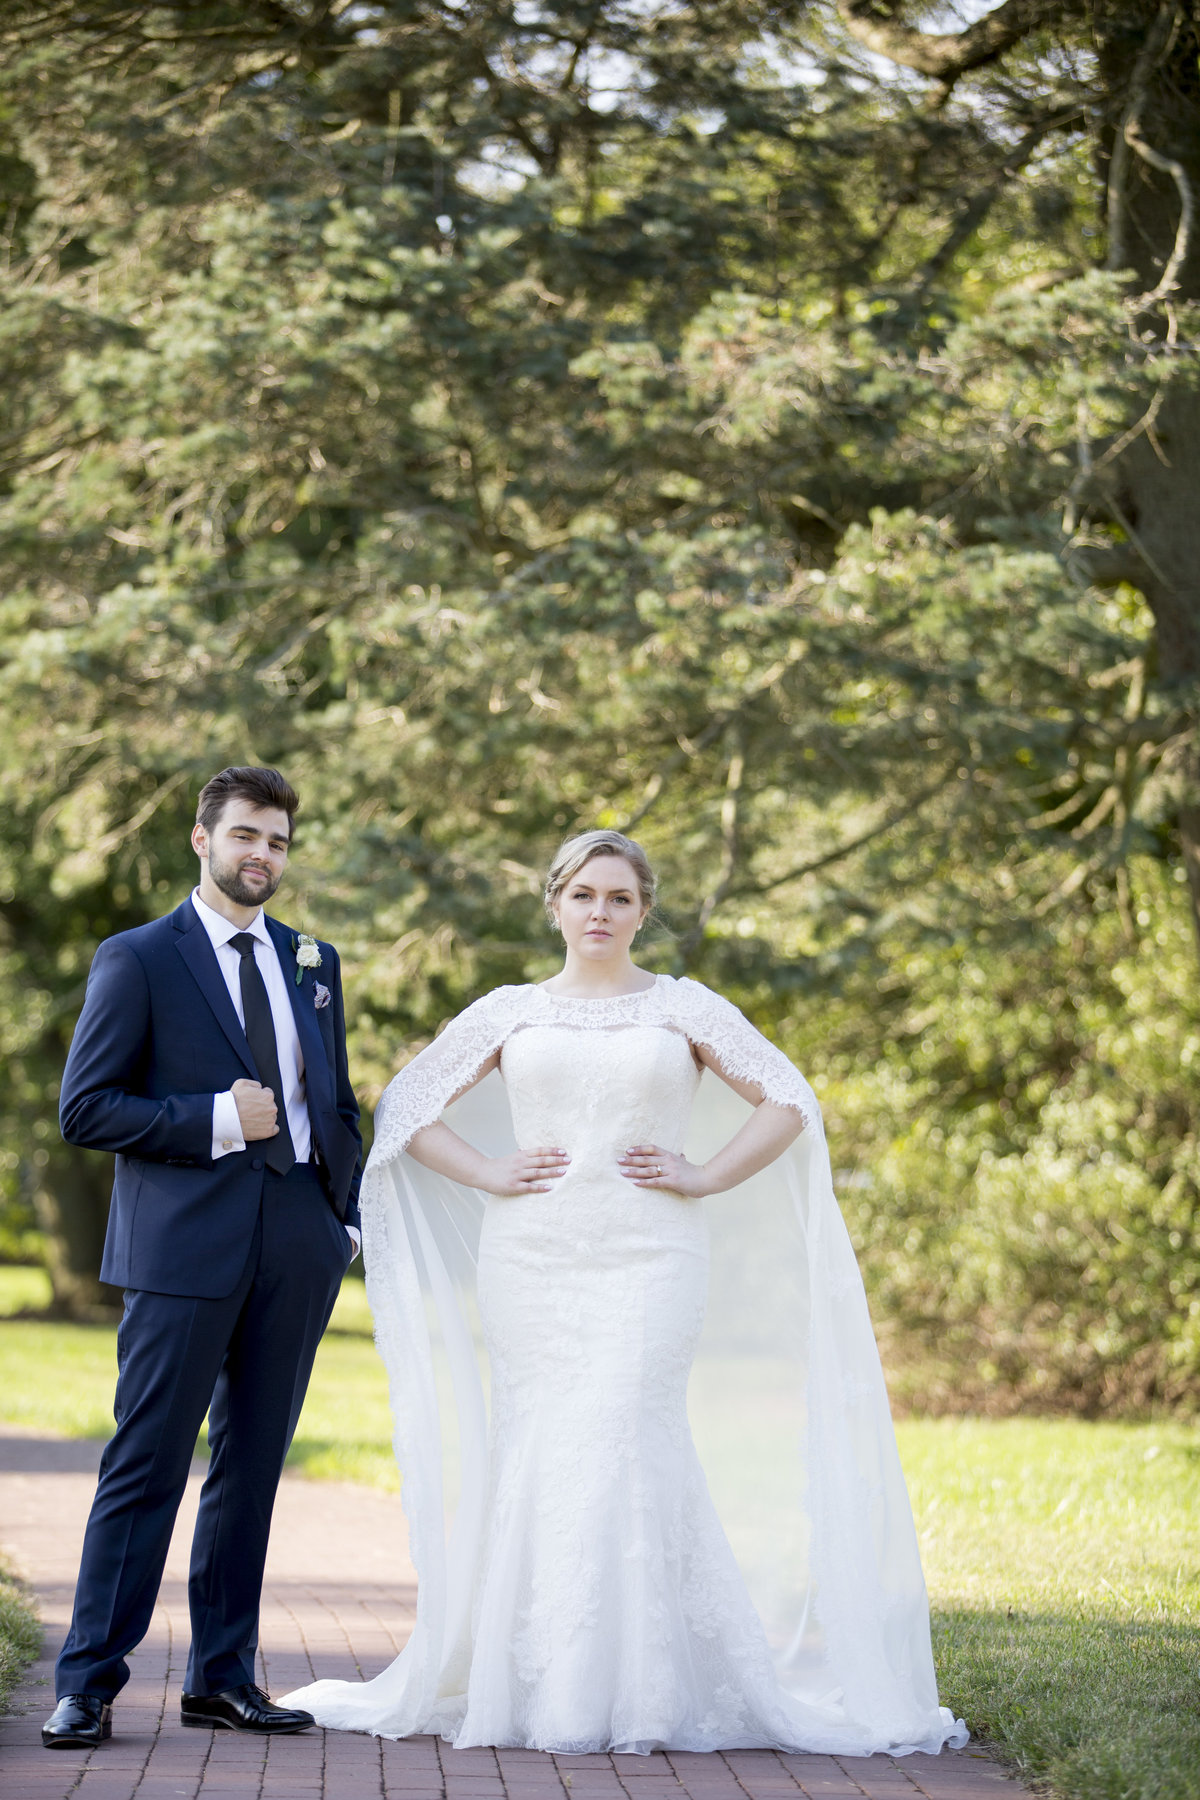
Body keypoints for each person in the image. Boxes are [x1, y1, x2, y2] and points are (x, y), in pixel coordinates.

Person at [282, 829, 967, 1757]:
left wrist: (705, 1174)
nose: (599, 913)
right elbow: (403, 1108)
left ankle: (640, 1690)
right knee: (548, 1443)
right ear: (555, 904)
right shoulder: (510, 1012)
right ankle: (542, 1687)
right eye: (584, 896)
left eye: (619, 898)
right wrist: (488, 1172)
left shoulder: (683, 1008)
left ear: (644, 911)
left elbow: (789, 1098)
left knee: (626, 1432)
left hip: (652, 1258)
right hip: (533, 1260)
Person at [42, 766, 362, 1750]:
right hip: (182, 1249)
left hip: (297, 1245)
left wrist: (341, 1218)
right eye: (245, 837)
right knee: (145, 1467)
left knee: (253, 1467)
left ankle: (223, 1676)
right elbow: (86, 1107)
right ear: (202, 839)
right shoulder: (138, 958)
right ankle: (90, 1682)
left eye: (277, 841)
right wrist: (216, 1119)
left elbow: (333, 1100)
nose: (261, 855)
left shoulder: (314, 959)